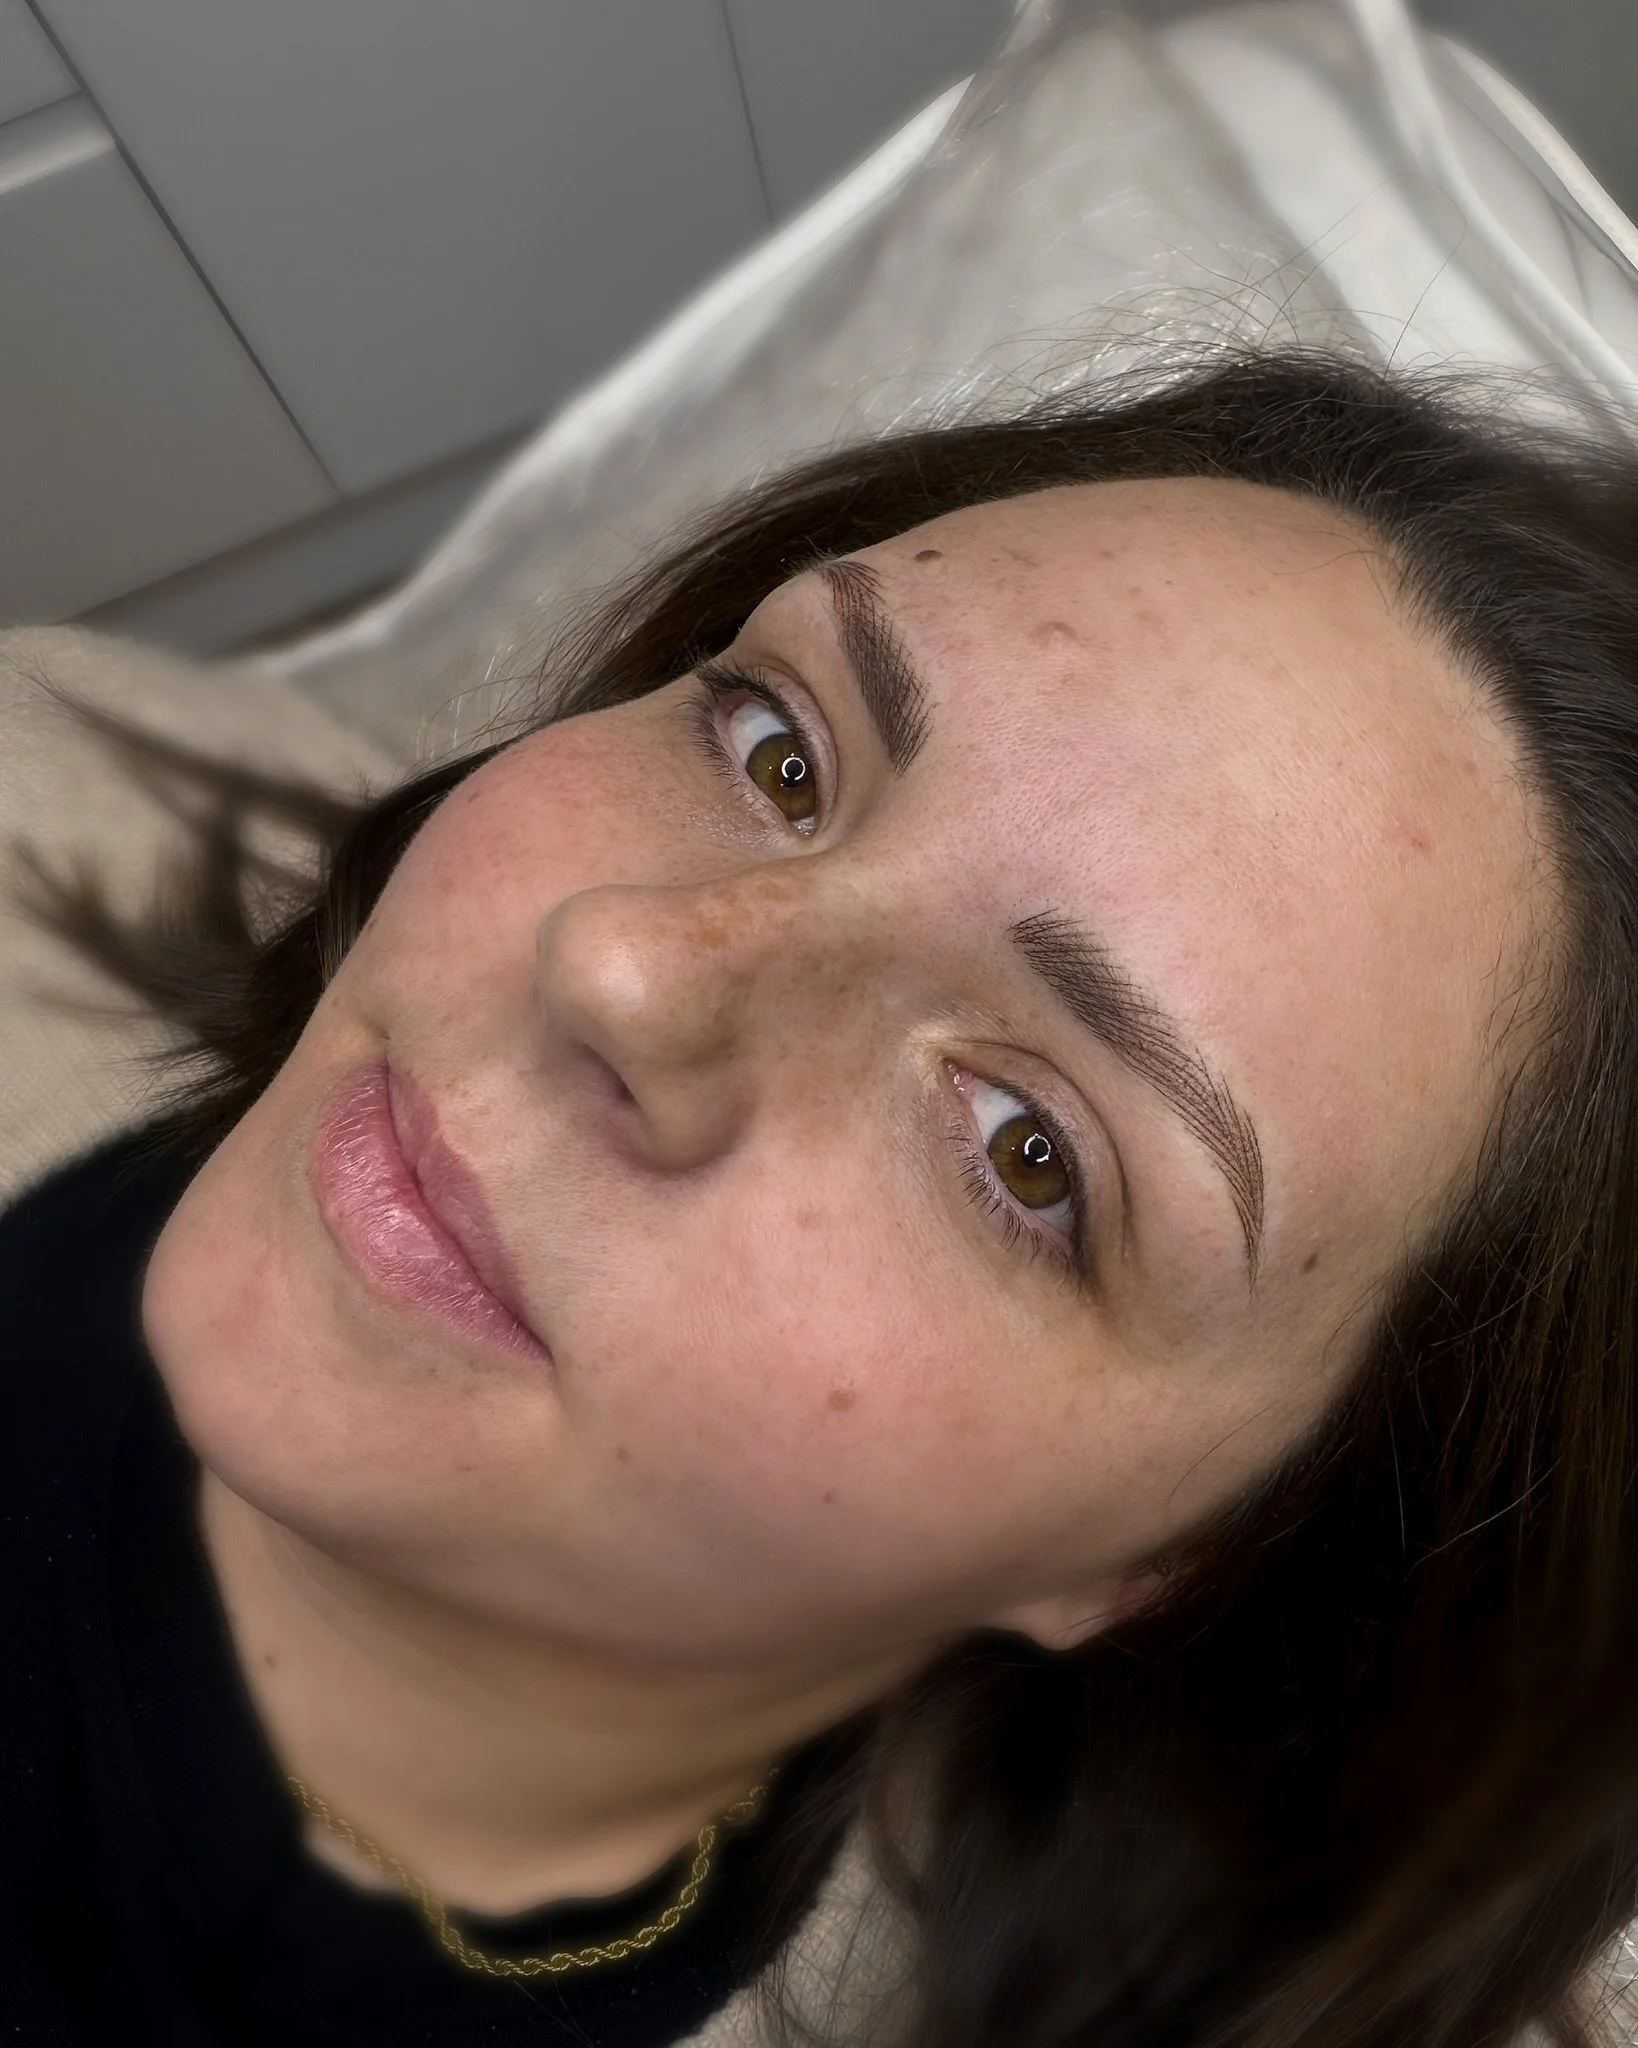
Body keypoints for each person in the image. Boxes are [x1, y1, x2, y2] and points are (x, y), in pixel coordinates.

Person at [6, 350, 1638, 2048]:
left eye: (1027, 1149)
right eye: (780, 751)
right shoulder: (37, 775)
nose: (625, 962)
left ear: (1189, 1557)